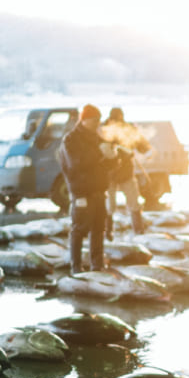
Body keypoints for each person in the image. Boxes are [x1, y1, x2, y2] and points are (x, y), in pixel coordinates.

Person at [59, 104, 114, 272]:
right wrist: (99, 153)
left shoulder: (97, 138)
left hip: (99, 192)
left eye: (99, 120)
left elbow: (107, 166)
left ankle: (97, 265)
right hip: (81, 192)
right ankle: (76, 266)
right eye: (95, 120)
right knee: (79, 229)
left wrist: (114, 158)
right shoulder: (70, 140)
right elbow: (76, 164)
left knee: (98, 229)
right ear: (85, 120)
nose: (98, 124)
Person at [101, 106, 151, 235]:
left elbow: (141, 144)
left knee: (133, 203)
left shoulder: (128, 129)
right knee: (109, 205)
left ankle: (138, 230)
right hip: (109, 173)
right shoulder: (103, 130)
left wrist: (145, 148)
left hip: (125, 173)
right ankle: (108, 231)